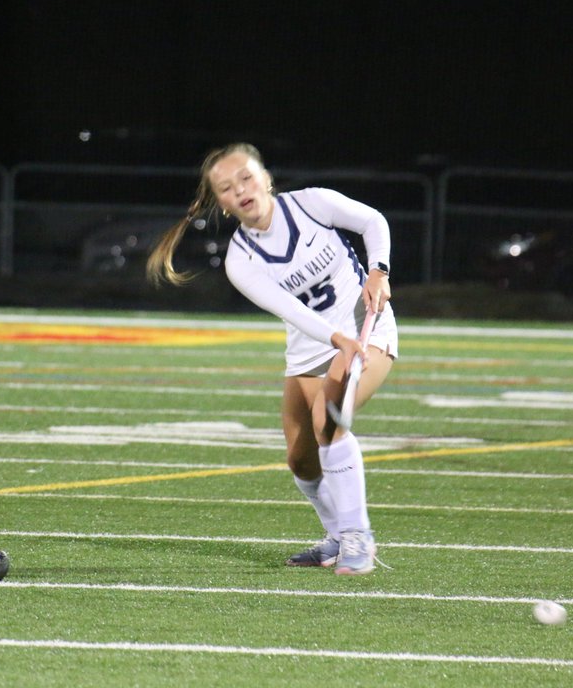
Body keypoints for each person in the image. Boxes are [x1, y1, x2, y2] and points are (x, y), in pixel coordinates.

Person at [148, 142, 397, 575]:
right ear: (222, 204)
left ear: (266, 177)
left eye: (245, 177)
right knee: (301, 460)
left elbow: (372, 220)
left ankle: (359, 538)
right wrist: (335, 338)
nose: (240, 190)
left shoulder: (312, 204)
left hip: (366, 331)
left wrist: (379, 270)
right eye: (226, 188)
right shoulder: (240, 261)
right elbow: (293, 311)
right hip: (312, 350)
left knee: (328, 419)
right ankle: (336, 536)